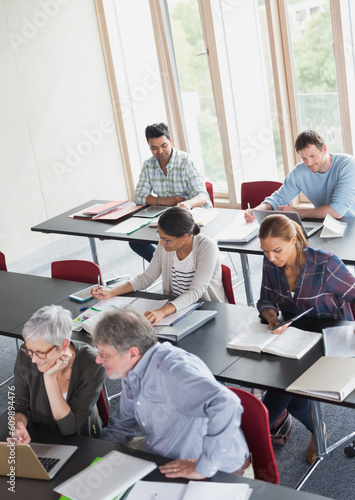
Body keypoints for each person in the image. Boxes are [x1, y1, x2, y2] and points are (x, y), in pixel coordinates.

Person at [94, 308, 252, 479]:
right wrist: (95, 460)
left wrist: (203, 468)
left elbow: (227, 404)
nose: (97, 360)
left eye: (104, 355)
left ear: (133, 353)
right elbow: (122, 425)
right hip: (166, 458)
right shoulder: (131, 370)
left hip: (216, 471)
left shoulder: (173, 370)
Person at [257, 214, 355, 463]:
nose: (271, 258)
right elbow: (265, 300)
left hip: (329, 336)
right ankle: (316, 429)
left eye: (277, 250)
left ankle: (254, 432)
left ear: (294, 240)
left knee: (280, 394)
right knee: (289, 389)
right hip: (293, 335)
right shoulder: (271, 264)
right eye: (265, 251)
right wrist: (271, 318)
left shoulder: (326, 264)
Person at [92, 207, 227, 325]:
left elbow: (195, 292)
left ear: (184, 237)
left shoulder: (206, 247)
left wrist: (162, 311)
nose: (161, 243)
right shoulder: (165, 247)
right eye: (160, 237)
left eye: (167, 240)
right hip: (176, 308)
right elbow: (146, 278)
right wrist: (112, 291)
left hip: (206, 309)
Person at [11, 305, 106, 444]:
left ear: (63, 345)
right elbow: (20, 408)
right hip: (37, 438)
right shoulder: (25, 355)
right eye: (29, 350)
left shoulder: (92, 365)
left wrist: (49, 379)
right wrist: (18, 426)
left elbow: (69, 428)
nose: (33, 359)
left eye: (40, 353)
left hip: (79, 443)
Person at [131, 122, 211, 262]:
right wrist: (166, 201)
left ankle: (173, 266)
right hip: (165, 219)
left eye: (164, 145)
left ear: (170, 141)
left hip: (191, 218)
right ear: (149, 147)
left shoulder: (187, 162)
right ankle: (165, 265)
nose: (160, 151)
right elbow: (139, 196)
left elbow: (202, 196)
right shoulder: (148, 165)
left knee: (178, 242)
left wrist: (188, 203)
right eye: (154, 148)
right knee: (135, 241)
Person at [245, 129, 355, 222]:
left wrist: (298, 212)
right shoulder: (300, 171)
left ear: (324, 149)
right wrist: (256, 211)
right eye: (304, 158)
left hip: (351, 223)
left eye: (313, 156)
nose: (309, 163)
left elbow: (337, 211)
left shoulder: (347, 164)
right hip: (324, 223)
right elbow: (278, 198)